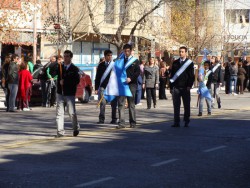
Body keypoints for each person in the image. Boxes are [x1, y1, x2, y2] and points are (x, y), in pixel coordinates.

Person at [56, 50, 80, 137]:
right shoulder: (60, 67)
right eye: (64, 56)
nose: (65, 58)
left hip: (69, 93)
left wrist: (65, 82)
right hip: (60, 93)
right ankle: (60, 132)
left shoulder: (74, 69)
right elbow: (53, 72)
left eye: (67, 56)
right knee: (59, 113)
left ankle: (75, 127)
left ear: (70, 57)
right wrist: (56, 63)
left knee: (71, 113)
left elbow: (76, 81)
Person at [170, 46, 194, 127]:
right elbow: (172, 75)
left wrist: (189, 85)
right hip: (176, 87)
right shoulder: (175, 62)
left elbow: (191, 76)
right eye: (180, 51)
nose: (181, 53)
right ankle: (176, 122)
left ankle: (186, 120)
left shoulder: (189, 63)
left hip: (185, 87)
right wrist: (171, 87)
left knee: (186, 105)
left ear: (186, 53)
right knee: (176, 105)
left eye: (182, 51)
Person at [117, 44, 140, 129]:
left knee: (131, 103)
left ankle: (132, 122)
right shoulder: (120, 61)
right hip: (122, 84)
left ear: (130, 51)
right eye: (125, 51)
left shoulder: (135, 61)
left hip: (132, 84)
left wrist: (131, 78)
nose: (126, 53)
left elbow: (137, 72)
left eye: (128, 51)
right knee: (121, 103)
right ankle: (121, 122)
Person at [95, 50, 118, 124]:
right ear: (105, 56)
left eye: (111, 55)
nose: (110, 57)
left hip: (113, 87)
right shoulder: (101, 65)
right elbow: (97, 77)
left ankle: (114, 119)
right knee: (102, 103)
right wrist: (96, 88)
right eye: (108, 55)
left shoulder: (114, 65)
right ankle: (101, 119)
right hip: (103, 87)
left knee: (114, 104)